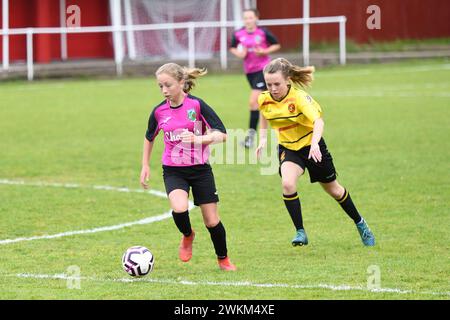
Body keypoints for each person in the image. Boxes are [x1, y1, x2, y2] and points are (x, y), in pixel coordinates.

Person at [255, 58, 375, 247]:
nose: (273, 88)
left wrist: (315, 144)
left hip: (312, 146)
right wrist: (262, 139)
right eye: (269, 84)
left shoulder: (300, 98)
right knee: (287, 184)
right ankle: (300, 231)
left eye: (277, 84)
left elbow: (318, 122)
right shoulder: (264, 98)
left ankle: (360, 223)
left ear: (288, 81)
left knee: (334, 190)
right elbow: (264, 114)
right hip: (289, 148)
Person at [140, 62, 236, 271]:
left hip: (200, 170)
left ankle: (223, 259)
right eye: (160, 86)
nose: (164, 91)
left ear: (182, 83)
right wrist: (145, 165)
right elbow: (149, 137)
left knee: (211, 221)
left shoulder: (197, 105)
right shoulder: (159, 112)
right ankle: (188, 235)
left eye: (168, 85)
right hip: (173, 170)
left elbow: (222, 134)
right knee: (179, 208)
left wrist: (198, 139)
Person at [230, 8, 281, 148]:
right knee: (267, 104)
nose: (248, 20)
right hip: (250, 72)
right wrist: (239, 54)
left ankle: (250, 139)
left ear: (256, 18)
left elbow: (276, 44)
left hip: (263, 70)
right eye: (245, 18)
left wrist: (264, 51)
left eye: (250, 17)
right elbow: (232, 47)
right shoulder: (238, 33)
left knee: (253, 102)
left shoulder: (263, 32)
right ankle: (280, 137)